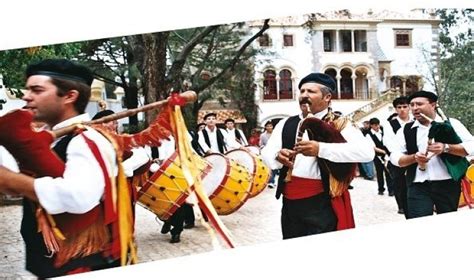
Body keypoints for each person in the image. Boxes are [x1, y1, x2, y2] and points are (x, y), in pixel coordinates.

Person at [0, 59, 132, 277]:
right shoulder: (53, 137)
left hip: (80, 264)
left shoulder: (87, 140)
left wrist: (11, 180)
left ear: (70, 96)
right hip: (53, 262)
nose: (26, 96)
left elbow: (77, 197)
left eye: (37, 90)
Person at [261, 72, 374, 239]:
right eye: (302, 91)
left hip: (323, 200)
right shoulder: (286, 123)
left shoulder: (341, 123)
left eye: (311, 92)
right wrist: (277, 156)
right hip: (290, 201)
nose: (304, 95)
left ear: (327, 97)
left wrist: (321, 149)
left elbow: (366, 153)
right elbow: (266, 152)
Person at [390, 90, 473, 219]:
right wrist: (414, 158)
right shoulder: (406, 129)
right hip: (418, 185)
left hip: (448, 184)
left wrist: (446, 148)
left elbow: (471, 147)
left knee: (447, 225)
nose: (414, 108)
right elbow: (395, 156)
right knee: (419, 226)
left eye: (419, 104)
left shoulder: (451, 124)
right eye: (412, 105)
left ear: (433, 105)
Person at [383, 96, 411, 215]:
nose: (402, 110)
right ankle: (402, 206)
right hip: (397, 158)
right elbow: (388, 142)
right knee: (399, 185)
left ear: (409, 107)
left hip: (413, 157)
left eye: (405, 106)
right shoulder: (390, 124)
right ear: (395, 109)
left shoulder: (415, 121)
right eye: (399, 107)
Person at [365, 118, 393, 196]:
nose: (377, 126)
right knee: (379, 172)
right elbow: (373, 147)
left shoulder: (383, 132)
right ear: (371, 125)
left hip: (387, 155)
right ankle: (381, 189)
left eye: (378, 124)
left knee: (388, 172)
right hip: (377, 156)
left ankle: (391, 190)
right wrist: (383, 152)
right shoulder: (368, 135)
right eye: (375, 125)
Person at [259, 121, 279, 188]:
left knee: (275, 166)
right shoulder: (263, 135)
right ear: (265, 127)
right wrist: (263, 148)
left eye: (270, 126)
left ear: (272, 126)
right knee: (269, 166)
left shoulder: (276, 134)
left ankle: (273, 179)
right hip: (267, 153)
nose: (269, 127)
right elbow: (261, 144)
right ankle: (271, 181)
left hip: (275, 152)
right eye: (267, 126)